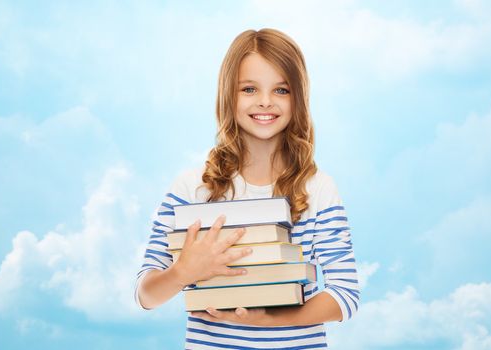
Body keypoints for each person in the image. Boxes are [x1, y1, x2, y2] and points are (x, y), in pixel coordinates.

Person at [135, 28, 360, 349]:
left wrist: (270, 319)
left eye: (281, 90)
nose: (265, 102)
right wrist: (183, 271)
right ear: (229, 94)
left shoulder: (318, 188)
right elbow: (146, 295)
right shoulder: (192, 188)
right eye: (250, 89)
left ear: (299, 97)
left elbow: (346, 294)